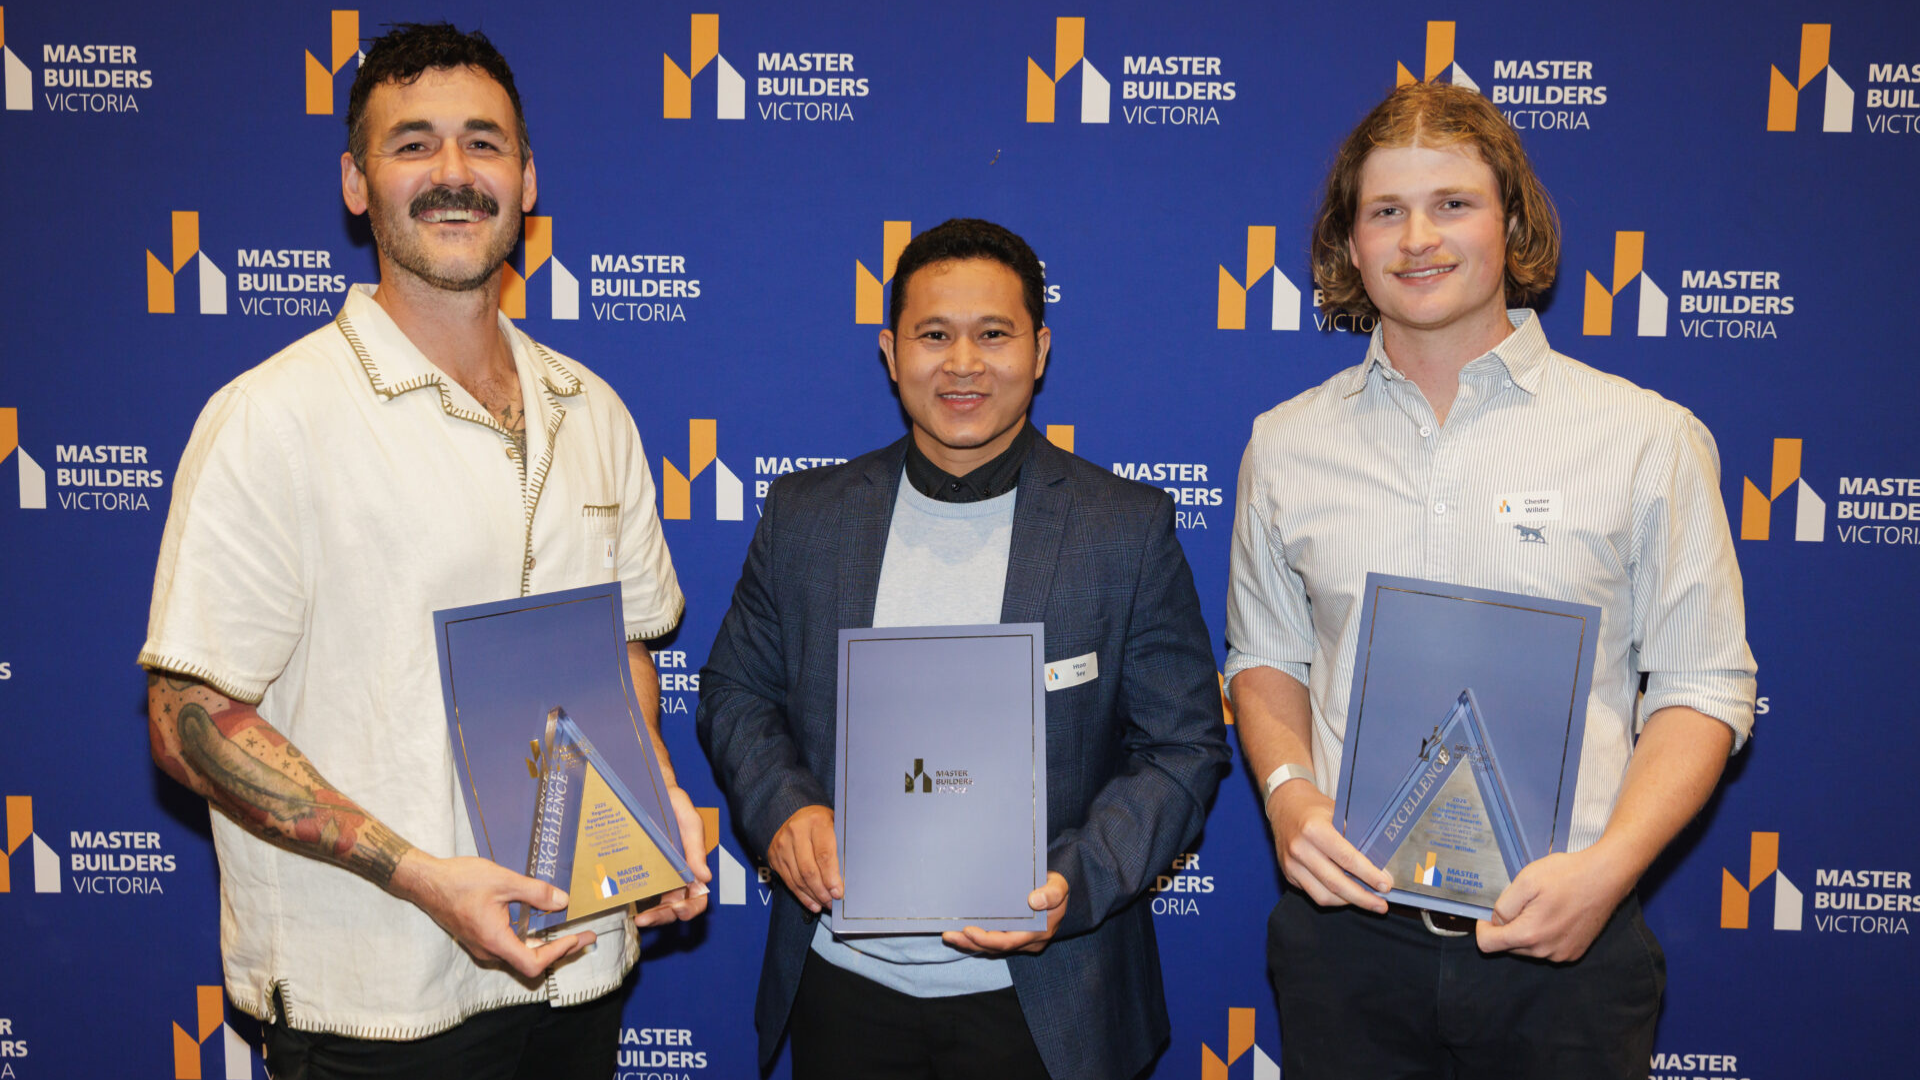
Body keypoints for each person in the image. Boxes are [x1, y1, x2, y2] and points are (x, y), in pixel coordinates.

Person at [139, 23, 707, 1079]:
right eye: (414, 145)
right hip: (375, 997)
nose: (454, 173)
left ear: (527, 177)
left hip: (576, 965)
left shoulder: (594, 411)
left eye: (483, 143)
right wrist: (421, 876)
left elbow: (625, 648)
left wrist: (652, 811)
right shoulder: (274, 417)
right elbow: (188, 721)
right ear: (358, 183)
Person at [1225, 82, 1756, 1079]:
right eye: (1385, 211)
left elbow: (1703, 687)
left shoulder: (1647, 439)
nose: (1417, 237)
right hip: (1348, 942)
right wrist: (1291, 796)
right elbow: (1264, 655)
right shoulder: (1286, 445)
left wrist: (1609, 870)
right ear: (1347, 243)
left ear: (1511, 224)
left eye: (1452, 204)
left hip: (1568, 949)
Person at [696, 218, 1229, 1080]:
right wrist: (786, 810)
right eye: (934, 335)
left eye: (994, 334)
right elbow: (734, 692)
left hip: (1050, 1001)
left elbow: (1183, 747)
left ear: (1041, 348)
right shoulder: (806, 518)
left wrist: (1074, 881)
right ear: (890, 349)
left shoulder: (1124, 531)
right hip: (843, 989)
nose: (964, 364)